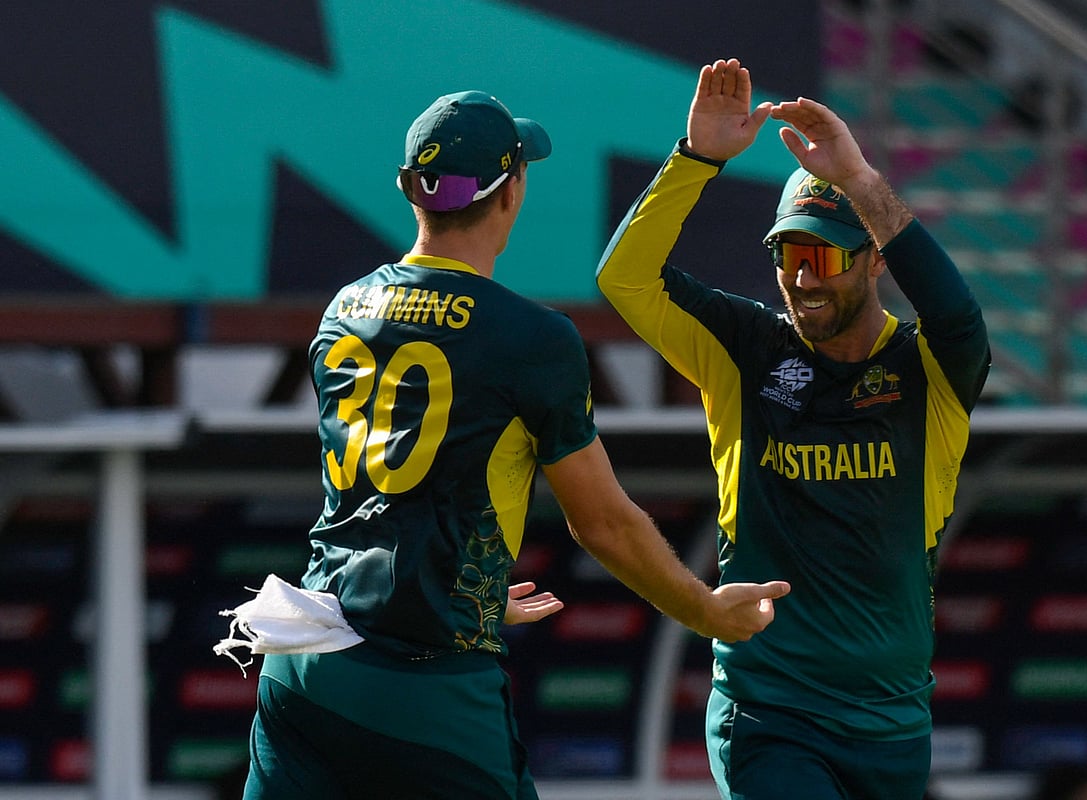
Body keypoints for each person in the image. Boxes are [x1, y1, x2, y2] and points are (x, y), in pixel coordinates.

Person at [221, 89, 790, 800]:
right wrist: (706, 611)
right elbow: (602, 522)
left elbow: (384, 497)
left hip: (307, 662)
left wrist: (474, 588)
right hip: (425, 680)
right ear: (510, 188)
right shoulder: (532, 337)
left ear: (412, 192)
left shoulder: (347, 306)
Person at [597, 59, 991, 800]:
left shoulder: (929, 369)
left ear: (874, 260)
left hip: (894, 723)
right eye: (787, 254)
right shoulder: (746, 348)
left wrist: (861, 181)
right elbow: (625, 278)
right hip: (771, 712)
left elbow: (958, 317)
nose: (802, 278)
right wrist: (698, 159)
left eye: (822, 257)